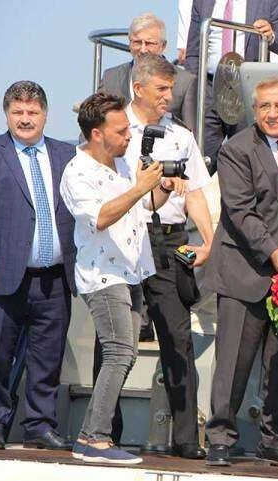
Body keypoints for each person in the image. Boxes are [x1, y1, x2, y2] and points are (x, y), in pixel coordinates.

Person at [203, 77, 278, 468]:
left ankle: (274, 440)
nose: (272, 114)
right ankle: (220, 438)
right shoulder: (236, 149)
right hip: (245, 273)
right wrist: (272, 250)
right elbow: (240, 211)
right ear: (254, 111)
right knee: (233, 363)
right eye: (264, 107)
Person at [0, 81, 76, 451]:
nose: (25, 119)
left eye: (32, 112)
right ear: (6, 114)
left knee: (48, 358)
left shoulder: (67, 155)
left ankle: (40, 426)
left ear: (45, 114)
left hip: (55, 277)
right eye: (17, 112)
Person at [60, 92, 176, 464]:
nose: (129, 136)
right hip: (103, 275)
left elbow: (144, 205)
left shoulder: (122, 163)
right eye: (121, 131)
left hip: (131, 271)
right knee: (119, 352)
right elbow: (100, 217)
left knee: (125, 355)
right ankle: (93, 438)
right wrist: (140, 187)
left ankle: (93, 436)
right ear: (97, 134)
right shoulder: (77, 172)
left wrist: (160, 187)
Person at [125, 53, 214, 459]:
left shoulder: (180, 135)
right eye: (161, 89)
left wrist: (208, 241)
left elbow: (194, 192)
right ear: (138, 88)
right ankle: (105, 432)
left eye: (171, 89)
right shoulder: (116, 129)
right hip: (127, 238)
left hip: (170, 241)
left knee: (178, 338)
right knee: (118, 340)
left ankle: (186, 438)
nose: (169, 96)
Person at [184, 0, 278, 173]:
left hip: (247, 89)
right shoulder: (203, 2)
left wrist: (271, 36)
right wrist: (191, 92)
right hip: (209, 89)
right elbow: (193, 52)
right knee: (200, 162)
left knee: (247, 158)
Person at [100, 12, 198, 132]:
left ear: (163, 46)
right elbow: (94, 123)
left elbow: (191, 131)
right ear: (130, 44)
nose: (143, 49)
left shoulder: (184, 82)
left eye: (149, 43)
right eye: (137, 42)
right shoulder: (111, 78)